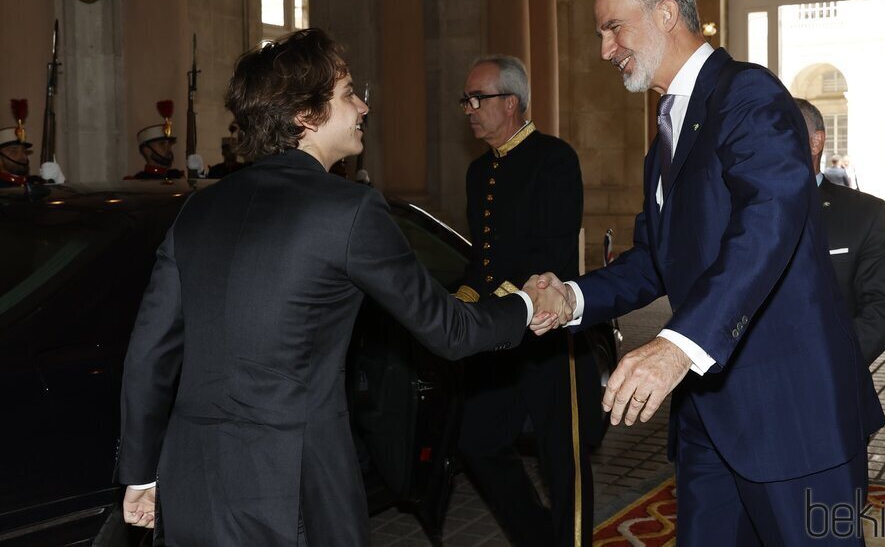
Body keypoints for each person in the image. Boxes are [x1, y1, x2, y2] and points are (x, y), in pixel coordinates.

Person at [115, 28, 566, 546]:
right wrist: (529, 303)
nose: (363, 109)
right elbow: (449, 330)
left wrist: (141, 472)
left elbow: (149, 353)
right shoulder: (349, 209)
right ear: (306, 115)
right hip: (292, 494)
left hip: (191, 483)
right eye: (349, 93)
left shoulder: (199, 208)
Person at [534, 0, 884, 545]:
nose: (604, 48)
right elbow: (656, 257)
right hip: (708, 420)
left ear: (666, 13)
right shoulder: (669, 128)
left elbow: (770, 221)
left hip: (791, 418)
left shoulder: (748, 94)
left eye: (613, 27)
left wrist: (679, 345)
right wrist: (572, 297)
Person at [455, 55, 600, 546]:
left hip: (551, 335)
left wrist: (497, 303)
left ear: (511, 103)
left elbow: (551, 254)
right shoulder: (478, 173)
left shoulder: (554, 159)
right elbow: (482, 257)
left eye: (479, 98)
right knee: (477, 441)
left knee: (564, 462)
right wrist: (463, 304)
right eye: (466, 100)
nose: (469, 109)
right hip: (502, 339)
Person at [797, 99, 885, 365]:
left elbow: (881, 309)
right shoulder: (734, 211)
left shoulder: (865, 213)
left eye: (781, 130)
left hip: (827, 379)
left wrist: (829, 366)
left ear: (815, 141)